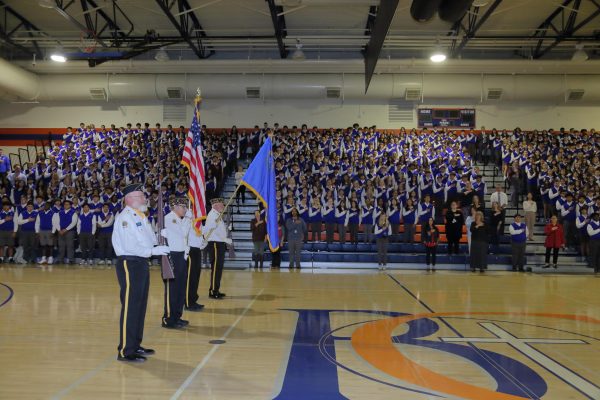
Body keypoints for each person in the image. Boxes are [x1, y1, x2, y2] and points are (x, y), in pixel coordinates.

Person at [112, 183, 170, 363]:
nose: (145, 198)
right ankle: (125, 350)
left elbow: (148, 239)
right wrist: (154, 251)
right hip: (130, 263)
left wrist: (161, 237)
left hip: (141, 262)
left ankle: (135, 344)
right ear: (130, 200)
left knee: (139, 305)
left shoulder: (140, 216)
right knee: (130, 307)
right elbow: (131, 246)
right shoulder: (125, 218)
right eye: (141, 196)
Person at [161, 197, 192, 329]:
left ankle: (177, 316)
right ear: (175, 207)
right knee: (172, 288)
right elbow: (183, 233)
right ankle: (168, 319)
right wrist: (188, 220)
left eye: (185, 207)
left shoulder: (179, 219)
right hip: (172, 256)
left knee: (180, 287)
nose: (185, 209)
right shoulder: (170, 218)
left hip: (180, 256)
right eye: (183, 207)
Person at [202, 197, 232, 299]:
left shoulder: (217, 215)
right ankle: (213, 291)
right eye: (222, 204)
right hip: (215, 244)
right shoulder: (212, 215)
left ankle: (215, 289)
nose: (223, 206)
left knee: (218, 268)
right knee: (216, 268)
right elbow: (208, 230)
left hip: (219, 244)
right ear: (215, 205)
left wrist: (226, 230)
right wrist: (225, 239)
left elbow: (219, 230)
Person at [52, 200, 78, 264]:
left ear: (70, 205)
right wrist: (59, 230)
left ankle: (71, 260)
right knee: (61, 246)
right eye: (65, 204)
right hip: (60, 231)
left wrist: (66, 229)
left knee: (70, 246)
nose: (66, 205)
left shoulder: (74, 212)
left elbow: (74, 223)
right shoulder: (59, 212)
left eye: (67, 204)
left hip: (70, 231)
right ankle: (60, 259)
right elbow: (56, 222)